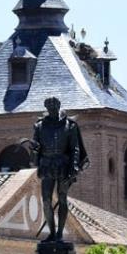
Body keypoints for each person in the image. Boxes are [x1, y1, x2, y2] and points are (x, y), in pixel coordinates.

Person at [30, 97, 88, 241]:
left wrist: (74, 165)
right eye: (49, 108)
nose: (52, 110)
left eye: (54, 107)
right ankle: (52, 232)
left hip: (63, 165)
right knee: (46, 200)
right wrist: (34, 149)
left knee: (62, 198)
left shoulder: (70, 125)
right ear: (46, 109)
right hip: (47, 165)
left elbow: (75, 148)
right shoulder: (39, 126)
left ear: (58, 107)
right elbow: (35, 151)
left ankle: (60, 233)